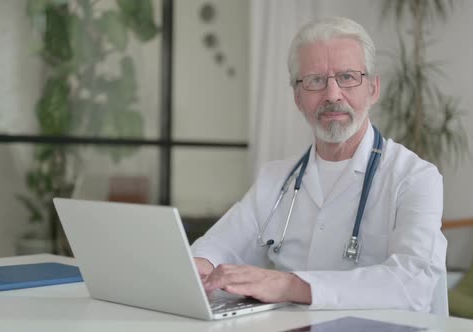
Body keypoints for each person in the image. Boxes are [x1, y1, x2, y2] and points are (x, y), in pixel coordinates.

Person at [191, 16, 447, 313]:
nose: (332, 95)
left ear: (373, 89)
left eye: (348, 77)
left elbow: (413, 283)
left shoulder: (415, 178)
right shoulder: (276, 178)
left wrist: (289, 285)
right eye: (315, 81)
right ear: (298, 98)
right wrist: (199, 267)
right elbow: (219, 246)